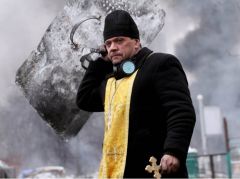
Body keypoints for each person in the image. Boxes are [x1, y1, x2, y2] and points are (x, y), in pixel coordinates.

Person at [76, 9, 196, 178]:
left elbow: (181, 111)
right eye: (108, 44)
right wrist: (100, 63)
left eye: (119, 41)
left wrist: (173, 151)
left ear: (136, 43)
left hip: (155, 171)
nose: (113, 47)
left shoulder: (159, 64)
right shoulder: (112, 83)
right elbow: (84, 99)